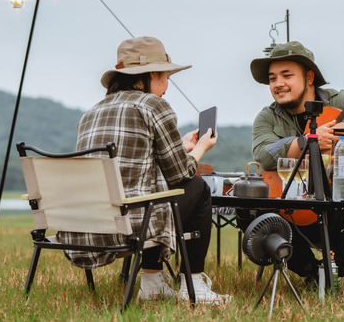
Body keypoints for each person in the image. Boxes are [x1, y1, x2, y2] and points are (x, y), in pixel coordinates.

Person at [58, 36, 230, 305]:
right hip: (128, 227)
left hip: (84, 226)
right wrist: (201, 148)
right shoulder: (153, 105)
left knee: (155, 193)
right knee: (198, 187)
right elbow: (180, 175)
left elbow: (134, 164)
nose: (167, 86)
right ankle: (192, 285)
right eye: (167, 77)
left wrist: (181, 145)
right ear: (152, 73)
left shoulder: (92, 112)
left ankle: (153, 283)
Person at [249, 41, 344, 281]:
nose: (278, 84)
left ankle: (335, 269)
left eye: (286, 75)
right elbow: (263, 153)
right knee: (250, 211)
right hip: (290, 209)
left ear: (309, 77)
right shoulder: (267, 117)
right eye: (272, 78)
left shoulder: (338, 100)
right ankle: (310, 271)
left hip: (336, 206)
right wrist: (307, 141)